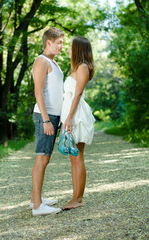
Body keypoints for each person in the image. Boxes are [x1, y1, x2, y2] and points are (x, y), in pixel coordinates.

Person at [30, 27, 64, 216]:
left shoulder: (54, 63)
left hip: (53, 116)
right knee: (41, 159)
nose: (61, 46)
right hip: (46, 116)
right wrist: (45, 120)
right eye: (59, 42)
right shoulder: (41, 61)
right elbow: (38, 92)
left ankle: (37, 199)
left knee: (46, 158)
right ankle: (37, 206)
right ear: (48, 42)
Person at [60, 36, 95, 210]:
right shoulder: (75, 68)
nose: (68, 50)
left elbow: (78, 94)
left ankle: (78, 198)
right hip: (70, 115)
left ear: (79, 49)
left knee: (77, 156)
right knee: (73, 158)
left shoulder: (82, 67)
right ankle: (75, 197)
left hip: (76, 115)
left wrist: (70, 118)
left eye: (71, 47)